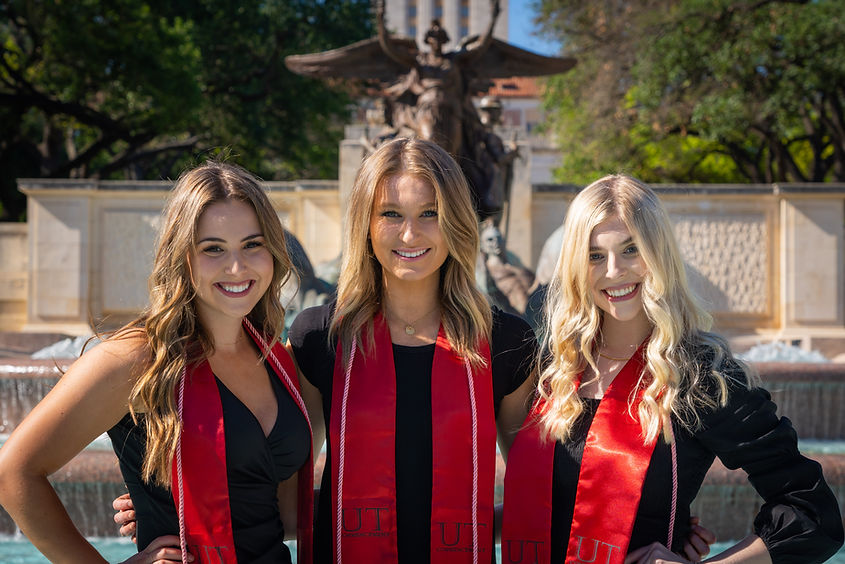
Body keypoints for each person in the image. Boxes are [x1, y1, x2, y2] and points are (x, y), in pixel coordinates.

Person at [500, 174, 844, 563]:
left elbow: (813, 513)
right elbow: (546, 506)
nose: (613, 270)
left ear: (658, 252)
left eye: (631, 249)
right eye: (595, 255)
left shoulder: (700, 378)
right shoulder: (553, 370)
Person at [0, 161, 314, 564]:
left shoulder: (274, 357)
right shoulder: (137, 357)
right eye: (213, 249)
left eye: (252, 245)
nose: (237, 266)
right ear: (181, 256)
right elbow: (14, 473)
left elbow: (276, 511)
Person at [288, 137, 538, 563]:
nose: (410, 233)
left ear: (456, 221)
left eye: (430, 214)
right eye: (390, 214)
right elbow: (283, 484)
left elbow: (537, 488)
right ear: (364, 224)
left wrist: (668, 527)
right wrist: (165, 511)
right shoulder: (319, 337)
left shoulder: (506, 342)